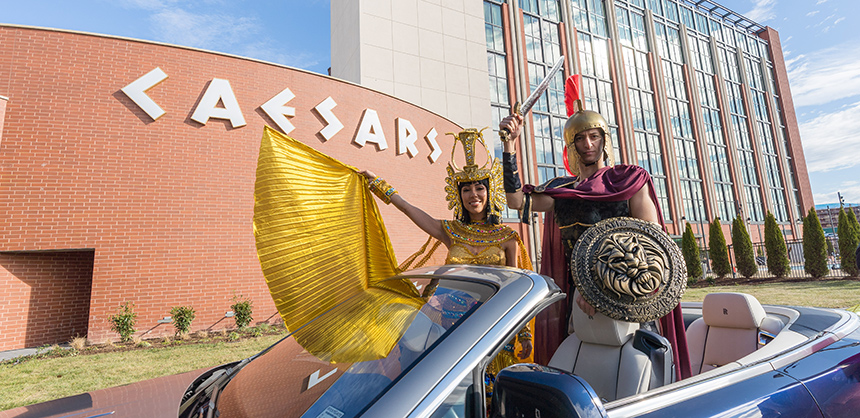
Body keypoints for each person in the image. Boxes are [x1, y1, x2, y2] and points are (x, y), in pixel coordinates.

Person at [498, 75, 691, 380]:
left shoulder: (629, 180)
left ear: (604, 139)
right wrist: (509, 147)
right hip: (580, 305)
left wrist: (609, 285)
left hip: (629, 295)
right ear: (571, 145)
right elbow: (514, 200)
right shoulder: (561, 191)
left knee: (641, 373)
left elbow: (654, 244)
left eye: (593, 136)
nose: (587, 144)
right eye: (580, 138)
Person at [361, 128, 533, 401]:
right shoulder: (451, 231)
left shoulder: (508, 238)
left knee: (490, 398)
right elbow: (409, 209)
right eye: (466, 189)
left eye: (479, 187)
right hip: (449, 327)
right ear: (459, 195)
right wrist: (380, 186)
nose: (473, 194)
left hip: (493, 328)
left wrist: (524, 333)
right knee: (452, 396)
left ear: (490, 192)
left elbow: (519, 287)